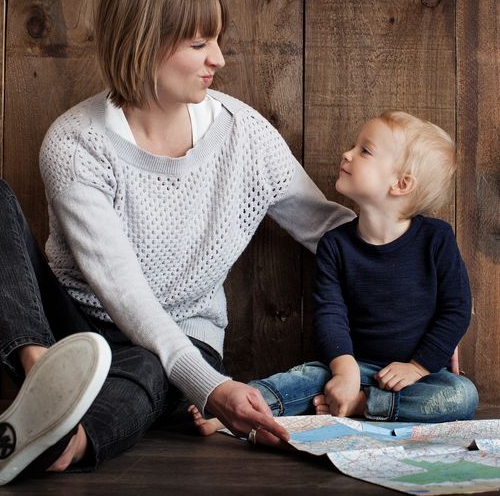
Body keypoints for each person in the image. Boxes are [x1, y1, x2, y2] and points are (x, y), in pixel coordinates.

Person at [0, 0, 354, 487]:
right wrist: (211, 390)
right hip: (71, 329)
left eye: (216, 40)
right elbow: (122, 290)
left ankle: (66, 442)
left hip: (182, 339)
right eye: (199, 43)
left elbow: (327, 229)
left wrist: (419, 291)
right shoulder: (75, 143)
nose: (219, 59)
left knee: (148, 365)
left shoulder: (243, 135)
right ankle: (44, 378)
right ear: (145, 41)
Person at [192, 111, 477, 435]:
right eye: (354, 146)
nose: (348, 154)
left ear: (401, 184)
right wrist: (344, 371)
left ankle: (362, 405)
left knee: (462, 396)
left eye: (364, 151)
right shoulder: (336, 245)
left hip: (417, 377)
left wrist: (418, 367)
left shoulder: (436, 239)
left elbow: (455, 310)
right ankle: (234, 410)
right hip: (353, 364)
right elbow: (331, 313)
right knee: (302, 379)